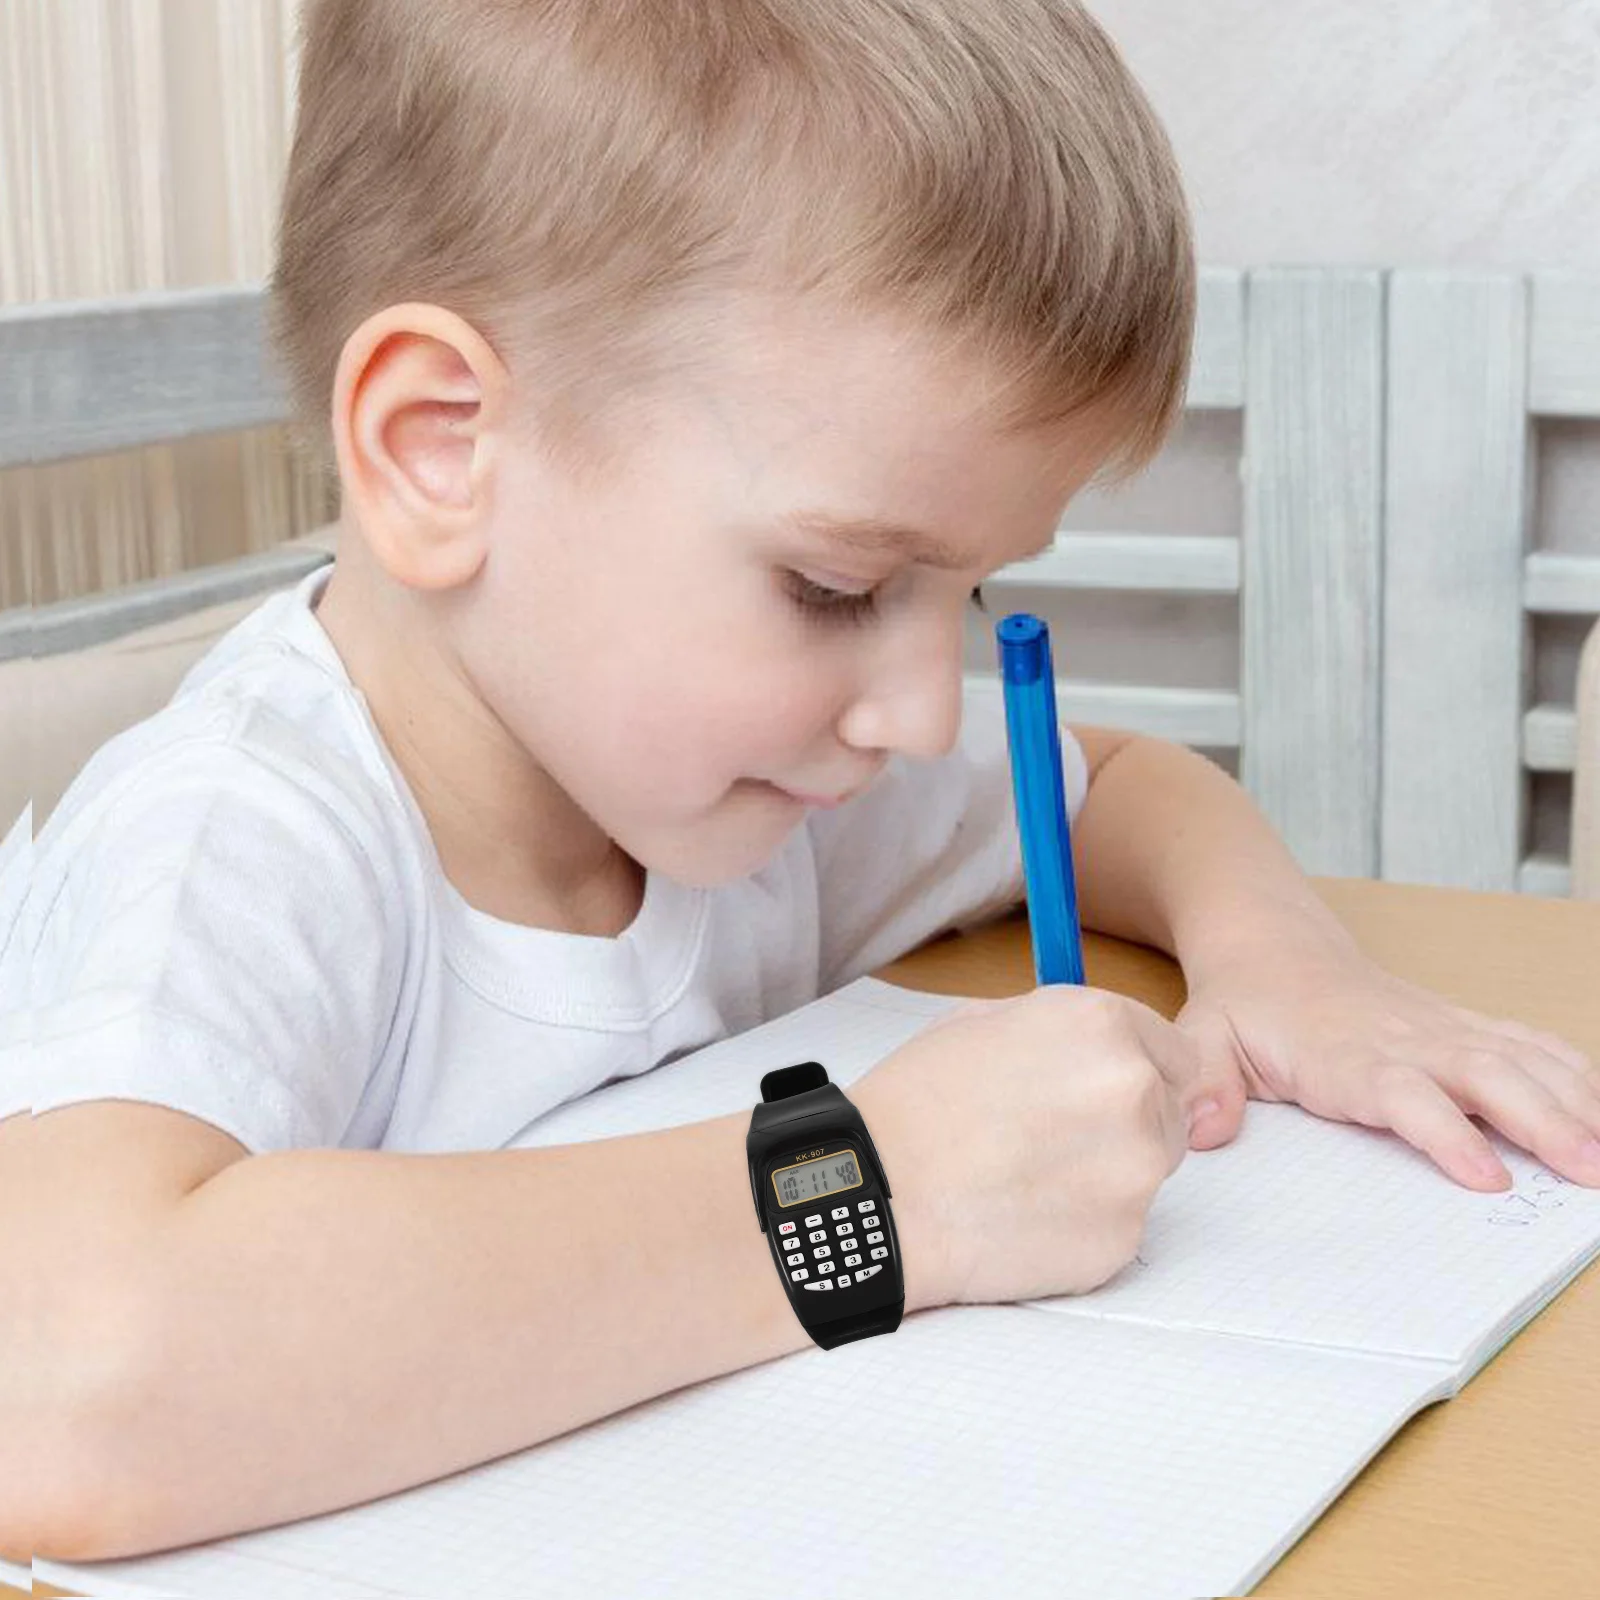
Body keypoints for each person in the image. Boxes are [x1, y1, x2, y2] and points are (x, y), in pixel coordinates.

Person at [5, 0, 1597, 1564]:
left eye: (964, 595)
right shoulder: (242, 834)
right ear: (443, 450)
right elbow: (61, 1387)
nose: (918, 713)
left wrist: (1287, 970)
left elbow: (1108, 781)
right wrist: (879, 1187)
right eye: (837, 588)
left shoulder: (744, 791)